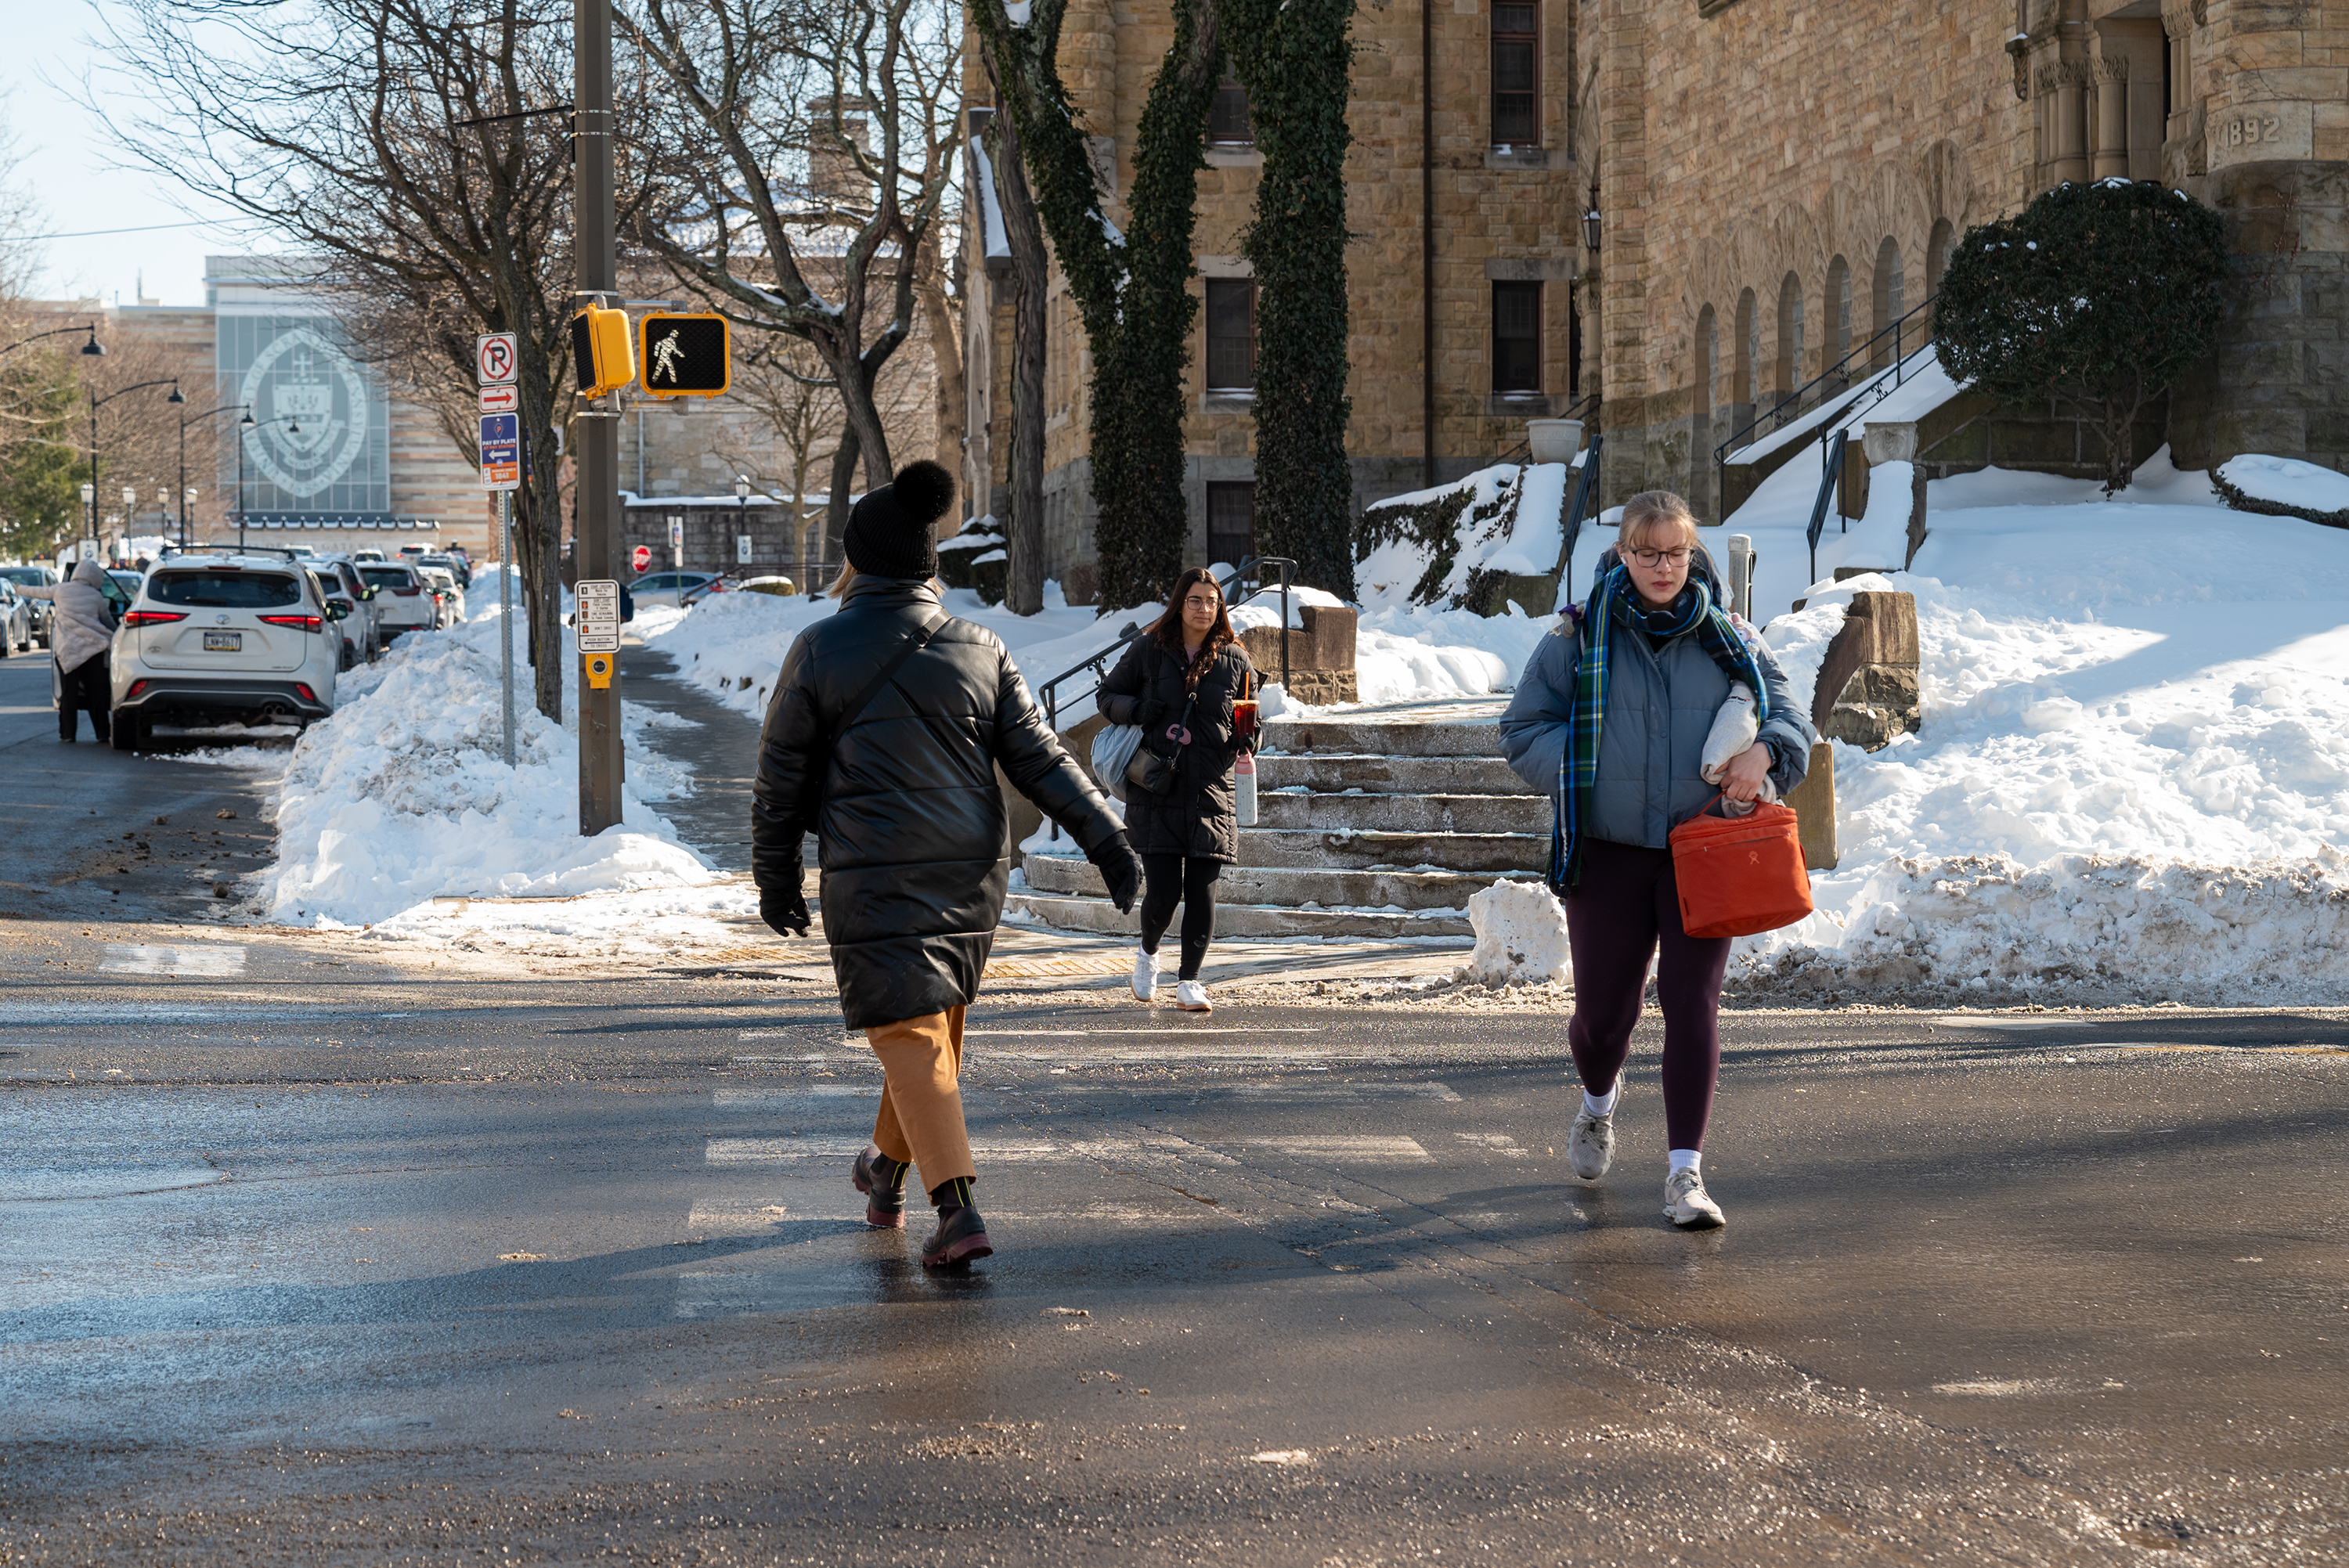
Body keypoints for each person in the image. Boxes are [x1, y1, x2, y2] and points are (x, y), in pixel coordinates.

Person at [749, 459, 1143, 1269]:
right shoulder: (980, 646)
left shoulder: (820, 647)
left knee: (912, 1031)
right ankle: (886, 1169)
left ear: (858, 560)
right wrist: (1109, 839)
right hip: (972, 869)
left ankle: (956, 1206)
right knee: (927, 1026)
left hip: (875, 868)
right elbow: (1043, 760)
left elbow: (780, 775)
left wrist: (776, 873)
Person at [1498, 491, 1814, 1230]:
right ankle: (1597, 1103)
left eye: (1675, 552)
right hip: (1606, 852)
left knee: (1691, 1002)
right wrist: (1586, 771)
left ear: (1691, 553)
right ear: (1623, 556)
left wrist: (1766, 752)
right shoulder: (1578, 635)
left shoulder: (1731, 636)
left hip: (1702, 852)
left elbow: (1789, 714)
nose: (1662, 566)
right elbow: (1522, 727)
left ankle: (1685, 1175)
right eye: (1647, 553)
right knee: (1603, 1019)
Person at [1096, 566, 1254, 1013]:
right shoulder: (1148, 650)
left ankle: (1190, 981)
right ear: (1179, 604)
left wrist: (1248, 738)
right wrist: (1139, 710)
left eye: (1212, 601)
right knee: (1163, 892)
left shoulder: (1236, 658)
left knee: (1203, 889)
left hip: (1210, 790)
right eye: (1195, 600)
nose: (1204, 609)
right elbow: (1107, 698)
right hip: (1158, 788)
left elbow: (1249, 715)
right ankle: (1148, 954)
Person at [22, 560, 119, 744]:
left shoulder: (60, 590)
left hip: (67, 651)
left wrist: (18, 587)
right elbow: (107, 621)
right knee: (96, 694)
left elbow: (37, 592)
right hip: (93, 650)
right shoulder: (96, 596)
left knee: (69, 693)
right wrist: (119, 634)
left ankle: (68, 734)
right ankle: (102, 733)